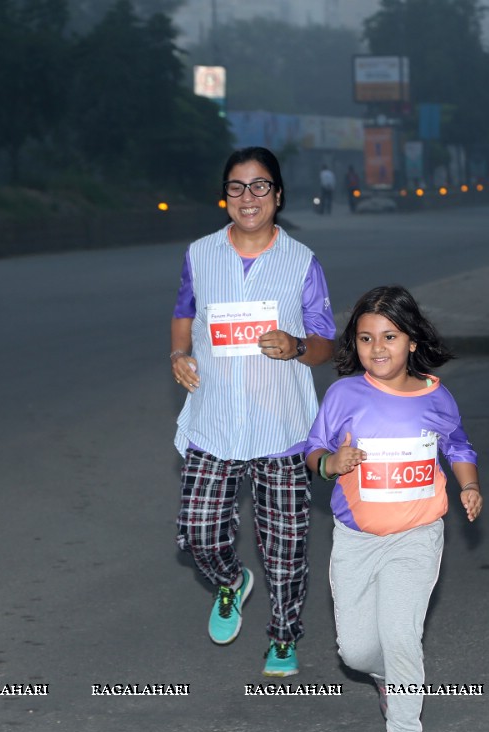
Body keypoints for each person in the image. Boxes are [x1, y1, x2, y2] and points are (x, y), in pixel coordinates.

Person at [170, 146, 336, 677]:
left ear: (278, 195)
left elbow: (326, 342)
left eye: (260, 186)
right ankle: (229, 580)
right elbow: (183, 314)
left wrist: (296, 346)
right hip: (214, 418)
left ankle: (283, 636)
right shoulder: (200, 254)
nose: (248, 197)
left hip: (281, 425)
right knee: (198, 530)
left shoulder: (302, 263)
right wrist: (179, 355)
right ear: (225, 196)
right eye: (237, 187)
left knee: (285, 546)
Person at [305, 286, 482, 732]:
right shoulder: (344, 394)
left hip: (417, 535)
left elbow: (458, 445)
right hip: (357, 538)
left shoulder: (435, 396)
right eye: (365, 338)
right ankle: (389, 680)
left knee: (400, 632)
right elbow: (314, 451)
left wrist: (468, 485)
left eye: (389, 336)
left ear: (411, 340)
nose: (377, 348)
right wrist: (330, 465)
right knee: (357, 650)